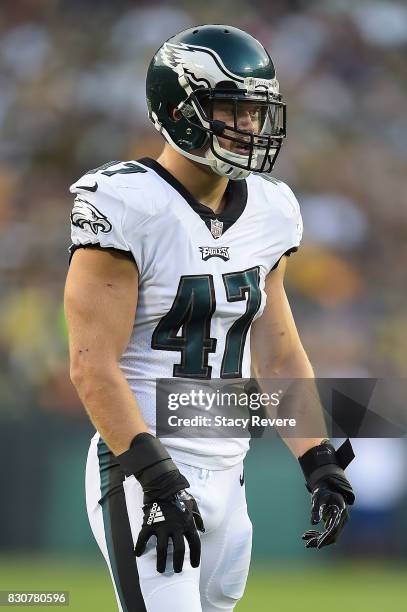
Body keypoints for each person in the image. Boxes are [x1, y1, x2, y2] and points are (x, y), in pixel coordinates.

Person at [64, 24, 355, 612]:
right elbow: (91, 367)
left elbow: (277, 354)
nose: (249, 127)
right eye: (232, 109)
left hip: (230, 467)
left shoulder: (271, 210)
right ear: (179, 111)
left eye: (256, 112)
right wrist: (157, 478)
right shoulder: (124, 201)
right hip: (145, 466)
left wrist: (319, 461)